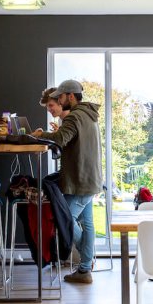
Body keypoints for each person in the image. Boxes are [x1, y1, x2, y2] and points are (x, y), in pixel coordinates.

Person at [32, 79, 102, 284]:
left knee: (65, 220)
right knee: (86, 223)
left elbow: (60, 139)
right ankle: (84, 268)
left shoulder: (74, 117)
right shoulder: (89, 114)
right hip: (91, 178)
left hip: (81, 180)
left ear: (71, 96)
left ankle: (86, 260)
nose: (60, 100)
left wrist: (39, 135)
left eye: (61, 97)